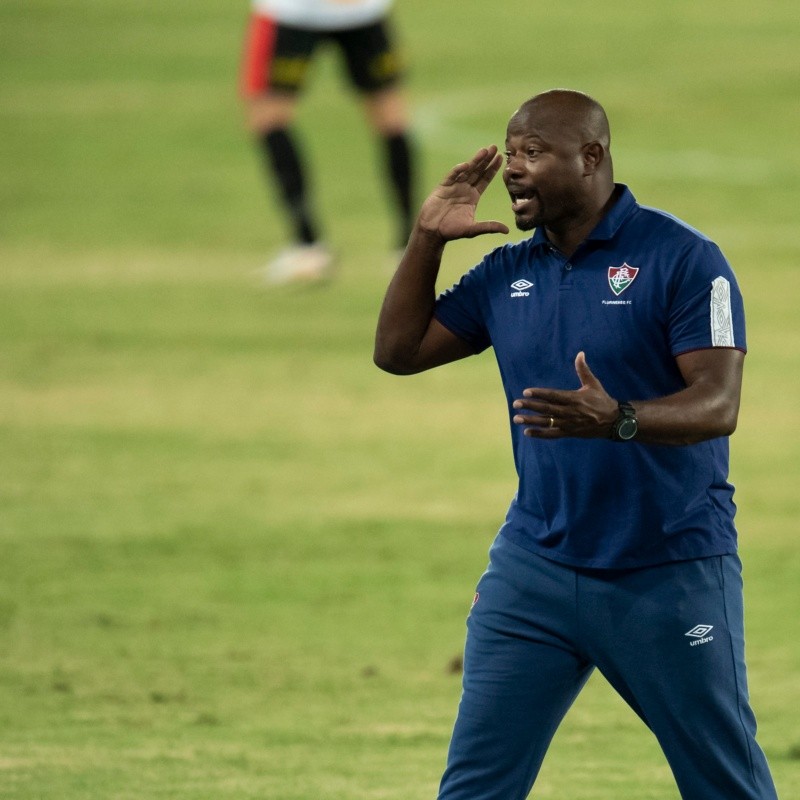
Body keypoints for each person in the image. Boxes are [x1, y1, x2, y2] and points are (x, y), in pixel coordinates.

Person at [374, 89, 779, 799]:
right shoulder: (509, 271)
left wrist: (619, 417)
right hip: (534, 571)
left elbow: (719, 404)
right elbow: (398, 352)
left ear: (591, 158)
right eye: (512, 152)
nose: (514, 170)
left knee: (725, 784)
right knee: (473, 788)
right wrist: (427, 240)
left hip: (668, 570)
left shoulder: (685, 259)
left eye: (535, 153)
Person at [240, 0, 416, 284]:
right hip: (361, 11)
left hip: (293, 12)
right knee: (391, 117)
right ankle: (411, 247)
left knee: (268, 117)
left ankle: (307, 247)